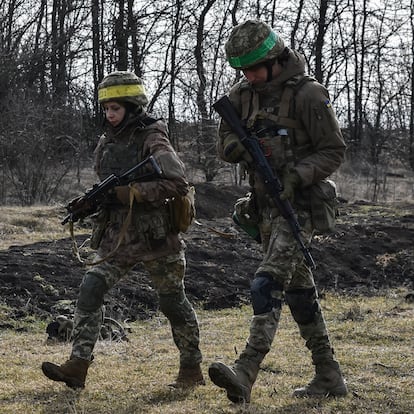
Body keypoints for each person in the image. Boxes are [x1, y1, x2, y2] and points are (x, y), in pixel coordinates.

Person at [208, 20, 348, 403]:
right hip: (263, 208)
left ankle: (245, 371)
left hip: (298, 205)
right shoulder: (241, 95)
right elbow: (223, 140)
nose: (247, 77)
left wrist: (297, 176)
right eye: (242, 71)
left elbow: (333, 150)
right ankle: (329, 375)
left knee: (266, 283)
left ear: (275, 60)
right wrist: (234, 146)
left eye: (253, 69)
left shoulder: (309, 95)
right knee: (300, 292)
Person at [41, 71, 204, 390]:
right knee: (91, 288)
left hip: (157, 237)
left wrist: (129, 194)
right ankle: (78, 365)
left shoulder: (153, 137)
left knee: (172, 303)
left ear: (131, 107)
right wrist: (91, 203)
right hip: (118, 238)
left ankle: (191, 368)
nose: (109, 115)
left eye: (115, 109)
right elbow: (106, 186)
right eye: (106, 110)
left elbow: (177, 183)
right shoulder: (106, 142)